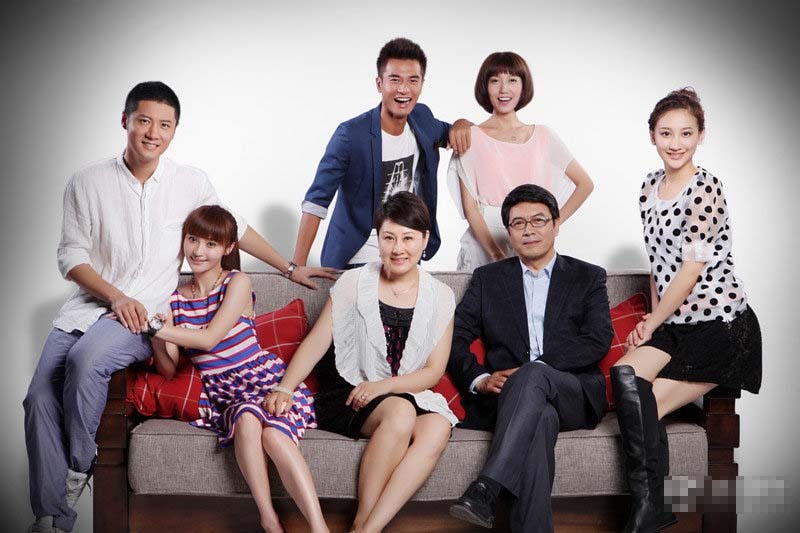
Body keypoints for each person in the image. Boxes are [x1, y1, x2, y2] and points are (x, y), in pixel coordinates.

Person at [23, 81, 335, 533]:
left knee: (86, 361)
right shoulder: (87, 181)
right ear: (125, 120)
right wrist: (115, 296)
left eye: (165, 125)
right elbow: (70, 257)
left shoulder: (189, 183)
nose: (153, 133)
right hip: (88, 308)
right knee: (37, 397)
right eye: (144, 121)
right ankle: (50, 517)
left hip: (141, 315)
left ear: (174, 131)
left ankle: (77, 471)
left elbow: (234, 227)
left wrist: (289, 268)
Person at [611, 88, 762, 533]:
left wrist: (651, 321)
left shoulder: (706, 188)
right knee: (624, 374)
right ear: (652, 136)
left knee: (646, 405)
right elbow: (658, 263)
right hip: (677, 324)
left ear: (700, 136)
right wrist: (655, 322)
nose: (675, 143)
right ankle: (653, 509)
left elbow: (691, 269)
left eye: (685, 133)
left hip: (720, 326)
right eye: (666, 133)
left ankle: (648, 508)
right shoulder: (648, 188)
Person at [267, 192, 457, 533]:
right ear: (378, 239)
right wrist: (285, 387)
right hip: (347, 391)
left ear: (425, 239)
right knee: (401, 412)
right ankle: (362, 521)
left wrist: (383, 386)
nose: (398, 248)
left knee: (438, 426)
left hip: (400, 390)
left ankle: (368, 530)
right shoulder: (354, 282)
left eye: (408, 238)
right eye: (389, 237)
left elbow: (433, 371)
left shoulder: (441, 296)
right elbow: (316, 342)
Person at [146, 205, 326, 533]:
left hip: (264, 378)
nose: (199, 251)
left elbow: (209, 339)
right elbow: (168, 370)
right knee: (245, 417)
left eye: (211, 244)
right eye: (193, 240)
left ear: (229, 248)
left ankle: (319, 529)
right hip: (224, 391)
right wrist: (156, 336)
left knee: (274, 436)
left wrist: (158, 328)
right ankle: (269, 520)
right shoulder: (172, 299)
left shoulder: (237, 282)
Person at [447, 184, 613, 532]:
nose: (529, 229)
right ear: (509, 232)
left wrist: (535, 369)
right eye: (518, 223)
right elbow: (456, 337)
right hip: (513, 400)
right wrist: (480, 379)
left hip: (573, 391)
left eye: (538, 220)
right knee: (541, 420)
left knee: (534, 374)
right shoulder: (488, 279)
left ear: (556, 224)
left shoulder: (588, 277)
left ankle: (487, 486)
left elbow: (597, 339)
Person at [292, 37, 471, 270]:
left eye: (413, 80)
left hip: (405, 249)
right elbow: (316, 201)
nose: (403, 89)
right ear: (379, 83)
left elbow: (454, 133)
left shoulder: (422, 118)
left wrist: (462, 122)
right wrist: (297, 267)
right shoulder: (350, 135)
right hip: (358, 251)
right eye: (394, 79)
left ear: (422, 84)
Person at [447, 51, 594, 271]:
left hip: (532, 240)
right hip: (484, 241)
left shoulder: (544, 136)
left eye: (512, 80)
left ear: (523, 86)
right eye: (495, 81)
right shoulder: (471, 137)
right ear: (485, 87)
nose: (504, 89)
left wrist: (552, 224)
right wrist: (495, 253)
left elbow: (585, 184)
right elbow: (471, 209)